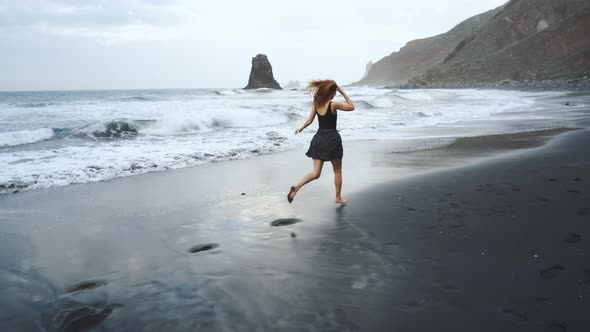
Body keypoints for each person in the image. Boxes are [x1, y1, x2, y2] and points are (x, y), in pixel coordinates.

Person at [287, 79, 355, 204]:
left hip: (318, 139)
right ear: (333, 92)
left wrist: (300, 128)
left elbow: (309, 121)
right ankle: (338, 197)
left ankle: (296, 187)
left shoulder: (316, 104)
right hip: (332, 140)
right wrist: (343, 92)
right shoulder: (333, 104)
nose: (335, 93)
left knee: (315, 173)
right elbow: (352, 107)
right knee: (337, 171)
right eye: (335, 91)